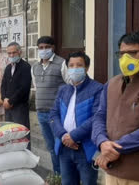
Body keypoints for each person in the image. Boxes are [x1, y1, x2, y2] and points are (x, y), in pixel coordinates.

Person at [92, 31, 139, 185]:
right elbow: (99, 116)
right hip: (112, 171)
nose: (125, 59)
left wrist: (116, 149)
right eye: (122, 54)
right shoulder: (111, 84)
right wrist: (101, 142)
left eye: (132, 53)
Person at [50, 51, 103, 185]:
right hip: (64, 147)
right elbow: (53, 114)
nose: (74, 68)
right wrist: (63, 136)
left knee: (88, 182)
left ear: (86, 68)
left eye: (79, 65)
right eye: (71, 65)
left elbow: (96, 117)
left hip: (85, 148)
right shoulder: (63, 90)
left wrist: (73, 136)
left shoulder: (98, 89)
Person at [31, 36, 69, 174]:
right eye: (40, 48)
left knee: (60, 145)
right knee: (51, 147)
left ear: (53, 47)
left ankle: (66, 176)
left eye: (46, 47)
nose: (43, 50)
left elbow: (69, 85)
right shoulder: (35, 66)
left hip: (56, 113)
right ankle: (57, 175)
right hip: (41, 113)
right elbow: (37, 87)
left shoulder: (62, 63)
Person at [1, 42, 31, 129]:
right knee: (10, 132)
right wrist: (4, 99)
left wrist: (11, 101)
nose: (11, 55)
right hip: (7, 106)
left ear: (19, 52)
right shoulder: (8, 68)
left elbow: (23, 88)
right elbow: (3, 85)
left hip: (19, 106)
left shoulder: (25, 67)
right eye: (9, 53)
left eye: (14, 52)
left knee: (21, 132)